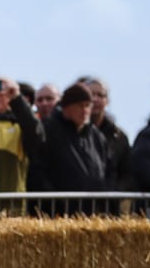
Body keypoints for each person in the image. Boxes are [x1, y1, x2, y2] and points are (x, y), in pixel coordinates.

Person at [36, 82, 113, 211]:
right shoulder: (48, 130)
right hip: (58, 213)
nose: (84, 110)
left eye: (87, 105)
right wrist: (56, 206)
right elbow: (39, 172)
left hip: (94, 213)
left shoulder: (97, 137)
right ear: (66, 107)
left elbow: (109, 171)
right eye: (80, 105)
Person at [81, 77, 134, 191]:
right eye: (91, 94)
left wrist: (114, 194)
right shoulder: (72, 131)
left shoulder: (119, 136)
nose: (95, 99)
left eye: (100, 95)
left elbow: (127, 172)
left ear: (107, 101)